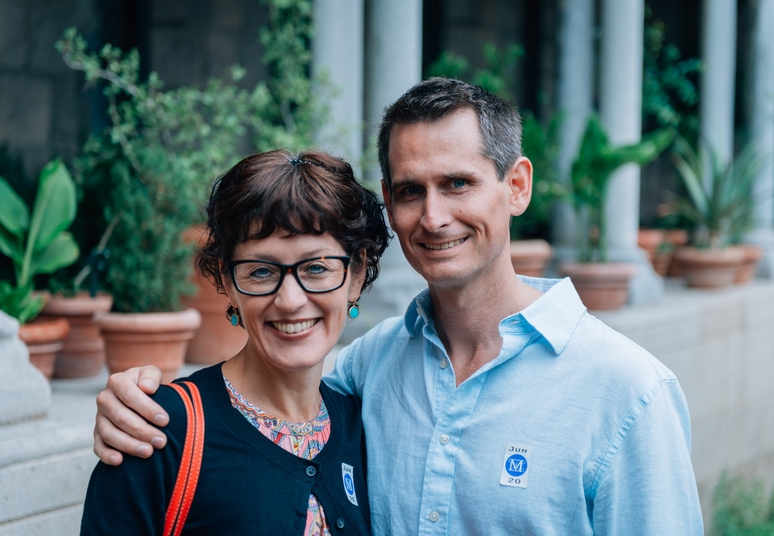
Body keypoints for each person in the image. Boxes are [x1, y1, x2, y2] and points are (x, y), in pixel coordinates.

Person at [92, 78, 704, 534]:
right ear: (389, 201)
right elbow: (259, 401)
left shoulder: (627, 392)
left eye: (458, 183)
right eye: (412, 191)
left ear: (516, 186)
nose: (434, 217)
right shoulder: (372, 369)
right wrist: (140, 397)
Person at [81, 149, 387, 535]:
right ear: (227, 281)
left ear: (355, 275)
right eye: (261, 271)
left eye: (316, 268)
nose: (290, 300)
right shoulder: (156, 431)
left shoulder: (362, 426)